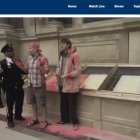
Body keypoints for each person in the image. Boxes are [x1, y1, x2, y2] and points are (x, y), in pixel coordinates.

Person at [56, 38, 81, 130]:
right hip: (61, 83)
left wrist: (68, 75)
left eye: (63, 43)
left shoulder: (75, 55)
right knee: (63, 103)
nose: (61, 45)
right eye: (61, 43)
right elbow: (58, 66)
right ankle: (64, 119)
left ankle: (75, 122)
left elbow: (78, 69)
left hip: (71, 84)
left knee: (72, 104)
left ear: (68, 45)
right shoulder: (61, 55)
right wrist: (57, 72)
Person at [0, 43, 27, 127]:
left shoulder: (17, 61)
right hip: (9, 87)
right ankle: (10, 120)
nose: (12, 52)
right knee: (10, 105)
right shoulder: (2, 63)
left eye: (12, 50)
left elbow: (24, 71)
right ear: (5, 53)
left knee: (19, 102)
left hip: (19, 85)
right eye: (10, 51)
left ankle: (18, 115)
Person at [27, 42, 50, 129]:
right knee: (33, 103)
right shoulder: (29, 58)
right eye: (29, 48)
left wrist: (41, 67)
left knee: (42, 104)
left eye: (30, 48)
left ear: (35, 49)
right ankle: (35, 119)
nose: (28, 50)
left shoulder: (43, 58)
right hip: (30, 84)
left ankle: (44, 121)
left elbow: (47, 71)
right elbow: (28, 70)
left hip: (39, 85)